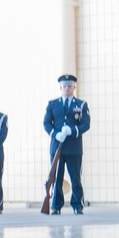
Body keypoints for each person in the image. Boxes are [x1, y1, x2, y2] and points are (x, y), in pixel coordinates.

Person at [43, 74, 91, 215]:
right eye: (64, 86)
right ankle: (56, 205)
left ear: (74, 87)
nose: (67, 88)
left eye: (70, 86)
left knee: (75, 177)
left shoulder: (81, 105)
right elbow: (46, 123)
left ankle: (77, 205)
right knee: (56, 177)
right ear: (60, 87)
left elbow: (86, 124)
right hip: (57, 147)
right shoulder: (53, 104)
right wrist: (55, 133)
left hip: (73, 148)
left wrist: (73, 130)